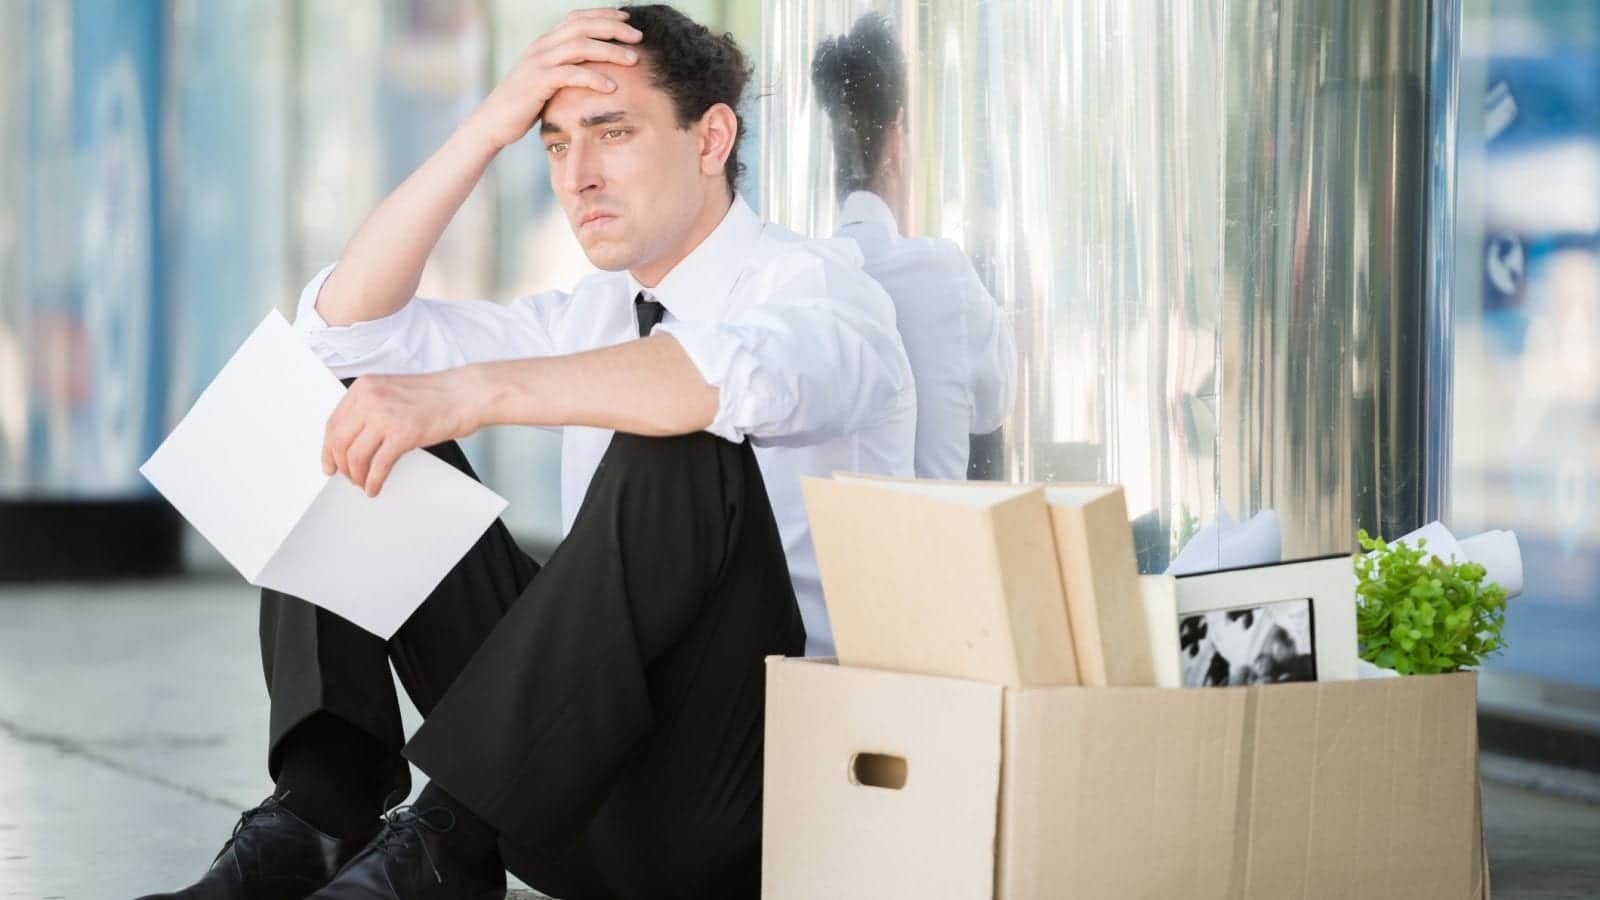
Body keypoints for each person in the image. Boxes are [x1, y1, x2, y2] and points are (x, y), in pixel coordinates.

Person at [136, 6, 913, 899]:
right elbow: (339, 335)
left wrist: (479, 392)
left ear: (711, 139)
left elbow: (725, 379)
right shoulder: (590, 309)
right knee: (344, 405)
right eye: (553, 145)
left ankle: (449, 835)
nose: (578, 176)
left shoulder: (819, 290)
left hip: (739, 799)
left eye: (611, 132)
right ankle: (320, 812)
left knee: (682, 443)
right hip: (560, 790)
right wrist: (486, 128)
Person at [812, 13, 1015, 480]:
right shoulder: (943, 272)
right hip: (937, 545)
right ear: (898, 138)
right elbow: (995, 404)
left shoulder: (798, 276)